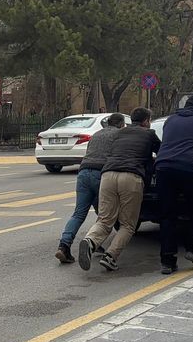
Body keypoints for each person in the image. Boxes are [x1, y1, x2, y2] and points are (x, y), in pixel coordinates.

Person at [78, 107, 160, 272]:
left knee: (104, 219)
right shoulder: (149, 134)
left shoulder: (119, 133)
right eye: (149, 120)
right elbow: (162, 152)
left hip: (107, 175)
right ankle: (110, 256)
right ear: (145, 121)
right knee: (128, 225)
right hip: (131, 177)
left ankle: (90, 241)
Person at [154, 95, 193, 274]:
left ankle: (167, 261)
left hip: (163, 168)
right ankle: (192, 249)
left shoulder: (170, 120)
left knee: (167, 216)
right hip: (189, 168)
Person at [55, 113, 126, 263]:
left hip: (84, 172)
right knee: (106, 215)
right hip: (102, 174)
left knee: (79, 213)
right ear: (121, 124)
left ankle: (64, 246)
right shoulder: (120, 134)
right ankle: (97, 242)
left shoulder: (96, 134)